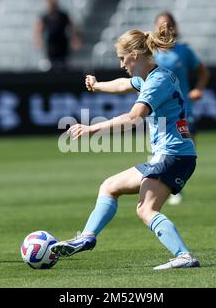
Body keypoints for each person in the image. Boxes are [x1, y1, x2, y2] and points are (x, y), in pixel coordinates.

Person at [50, 24, 200, 270]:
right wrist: (98, 85)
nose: (122, 64)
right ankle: (87, 237)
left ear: (136, 55)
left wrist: (92, 128)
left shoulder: (157, 82)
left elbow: (134, 117)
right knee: (110, 186)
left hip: (172, 155)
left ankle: (184, 256)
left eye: (123, 58)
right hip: (172, 155)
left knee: (146, 209)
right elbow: (123, 84)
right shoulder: (153, 75)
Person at [152, 12, 209, 205]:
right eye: (161, 25)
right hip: (159, 111)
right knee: (160, 149)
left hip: (184, 109)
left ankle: (175, 187)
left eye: (168, 24)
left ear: (175, 27)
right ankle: (159, 186)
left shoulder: (184, 51)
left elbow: (203, 71)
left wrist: (199, 89)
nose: (165, 28)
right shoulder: (151, 52)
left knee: (188, 150)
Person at [34, 0, 81, 71]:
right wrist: (38, 40)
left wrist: (75, 39)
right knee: (51, 65)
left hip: (62, 43)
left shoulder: (63, 15)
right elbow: (38, 29)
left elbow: (74, 27)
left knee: (64, 64)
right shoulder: (45, 17)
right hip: (51, 44)